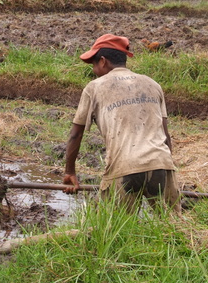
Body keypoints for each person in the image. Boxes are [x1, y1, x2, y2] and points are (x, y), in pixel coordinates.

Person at [63, 34, 181, 213]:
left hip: (125, 167)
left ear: (102, 61)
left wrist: (70, 172)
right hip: (161, 164)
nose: (94, 69)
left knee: (112, 233)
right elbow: (165, 135)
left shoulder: (94, 87)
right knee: (173, 230)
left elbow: (75, 134)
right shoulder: (152, 84)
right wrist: (167, 170)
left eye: (93, 64)